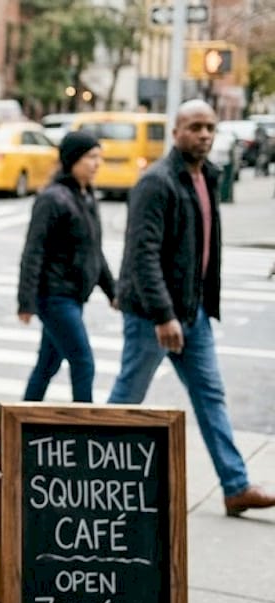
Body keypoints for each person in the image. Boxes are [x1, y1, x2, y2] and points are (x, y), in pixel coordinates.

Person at [108, 99, 275, 516]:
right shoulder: (157, 182)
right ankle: (97, 480)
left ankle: (236, 486)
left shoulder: (206, 177)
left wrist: (193, 308)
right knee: (129, 395)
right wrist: (164, 314)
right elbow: (142, 254)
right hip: (154, 313)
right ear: (176, 131)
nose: (204, 134)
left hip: (192, 311)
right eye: (195, 126)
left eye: (210, 127)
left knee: (210, 394)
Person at [16, 131, 116, 403]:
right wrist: (26, 301)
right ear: (73, 160)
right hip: (54, 296)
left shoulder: (86, 195)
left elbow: (94, 249)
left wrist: (112, 291)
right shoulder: (53, 198)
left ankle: (19, 425)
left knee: (47, 365)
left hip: (73, 295)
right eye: (91, 157)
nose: (97, 163)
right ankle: (84, 430)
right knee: (84, 363)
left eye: (99, 158)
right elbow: (33, 250)